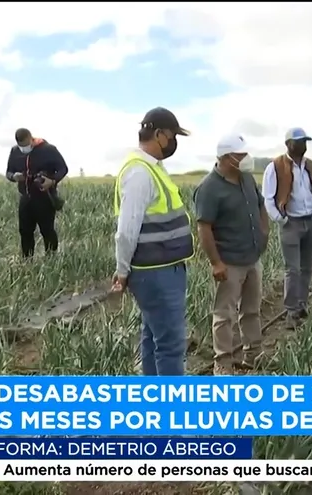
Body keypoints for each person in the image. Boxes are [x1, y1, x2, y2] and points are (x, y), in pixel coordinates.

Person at [110, 107, 194, 376]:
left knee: (152, 338)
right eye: (172, 136)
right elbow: (126, 230)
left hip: (161, 270)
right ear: (158, 134)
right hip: (155, 273)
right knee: (170, 345)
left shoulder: (150, 168)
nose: (173, 143)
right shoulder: (140, 173)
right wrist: (122, 271)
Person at [194, 134, 269, 375]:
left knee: (251, 310)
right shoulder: (209, 188)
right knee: (224, 315)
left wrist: (264, 232)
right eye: (241, 155)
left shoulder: (246, 179)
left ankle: (253, 354)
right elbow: (204, 227)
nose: (247, 159)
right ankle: (223, 364)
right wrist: (216, 263)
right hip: (229, 261)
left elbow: (260, 205)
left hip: (252, 257)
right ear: (227, 158)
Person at [262, 128, 312, 329]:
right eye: (299, 142)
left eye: (304, 141)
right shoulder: (275, 167)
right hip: (290, 223)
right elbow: (268, 198)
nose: (303, 145)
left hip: (311, 221)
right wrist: (280, 219)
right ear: (288, 144)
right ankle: (292, 311)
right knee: (292, 269)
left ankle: (302, 306)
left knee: (306, 267)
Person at [5, 128, 68, 258]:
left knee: (47, 230)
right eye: (20, 146)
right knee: (25, 231)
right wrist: (14, 177)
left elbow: (63, 168)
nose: (23, 149)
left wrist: (52, 181)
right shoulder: (15, 151)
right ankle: (27, 261)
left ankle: (52, 260)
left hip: (44, 197)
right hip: (25, 198)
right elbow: (8, 172)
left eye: (25, 145)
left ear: (31, 138)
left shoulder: (48, 149)